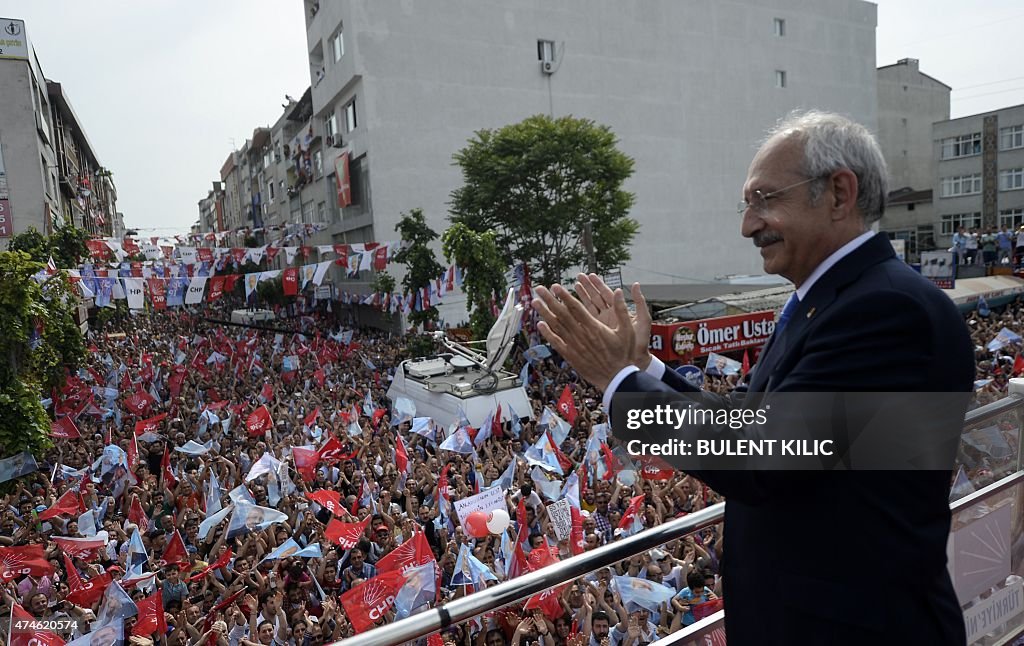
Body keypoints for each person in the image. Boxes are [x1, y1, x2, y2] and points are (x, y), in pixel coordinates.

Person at [532, 110, 974, 644]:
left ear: (839, 193)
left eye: (765, 199)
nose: (748, 225)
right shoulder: (836, 301)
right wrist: (644, 366)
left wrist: (620, 382)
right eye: (746, 204)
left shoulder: (885, 309)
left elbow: (767, 454)